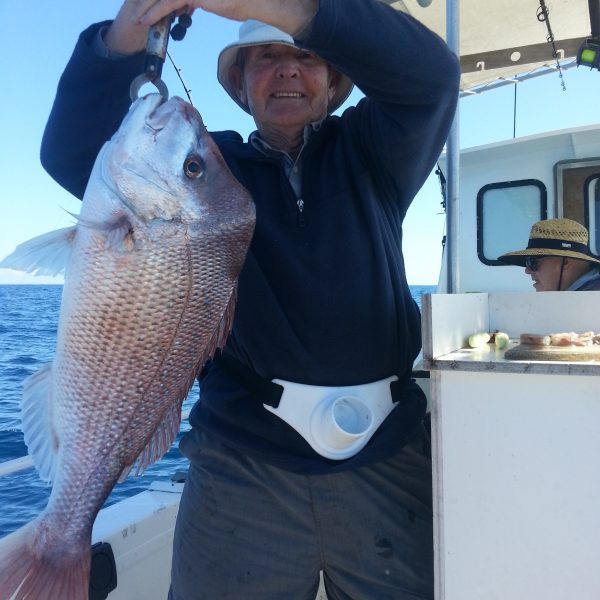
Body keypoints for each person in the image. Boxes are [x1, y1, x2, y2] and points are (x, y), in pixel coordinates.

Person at [40, 0, 460, 598]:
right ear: (240, 83)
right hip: (240, 468)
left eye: (306, 55)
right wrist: (124, 35)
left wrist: (277, 9)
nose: (288, 70)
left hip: (387, 463)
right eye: (267, 57)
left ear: (337, 80)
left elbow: (434, 78)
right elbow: (69, 152)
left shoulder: (375, 150)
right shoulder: (215, 171)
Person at [499, 218, 600, 292]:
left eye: (532, 262)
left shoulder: (590, 301)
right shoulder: (581, 297)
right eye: (527, 263)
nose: (527, 270)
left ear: (565, 262)